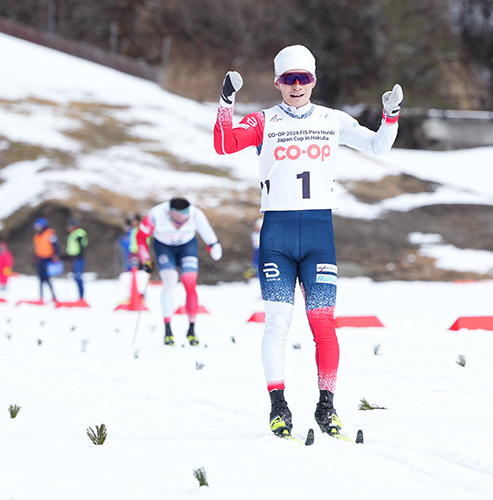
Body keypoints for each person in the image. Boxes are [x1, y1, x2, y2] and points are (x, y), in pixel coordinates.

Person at [213, 45, 403, 439]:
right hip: (277, 238)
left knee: (323, 323)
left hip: (319, 237)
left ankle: (327, 405)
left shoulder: (332, 120)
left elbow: (378, 146)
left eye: (303, 78)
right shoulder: (263, 121)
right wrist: (226, 102)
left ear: (313, 81)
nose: (296, 86)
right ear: (277, 82)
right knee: (278, 322)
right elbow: (224, 144)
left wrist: (390, 115)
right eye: (288, 79)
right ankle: (278, 406)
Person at [136, 198, 222, 346]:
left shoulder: (195, 214)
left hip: (187, 246)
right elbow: (141, 237)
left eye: (183, 222)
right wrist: (146, 259)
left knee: (189, 281)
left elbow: (207, 233)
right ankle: (168, 330)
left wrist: (214, 245)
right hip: (164, 247)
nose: (179, 225)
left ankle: (191, 330)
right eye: (176, 222)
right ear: (170, 213)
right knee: (170, 279)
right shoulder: (155, 214)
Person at [32, 217, 59, 302]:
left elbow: (55, 246)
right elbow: (38, 248)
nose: (37, 228)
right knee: (40, 279)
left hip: (48, 259)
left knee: (48, 279)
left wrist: (55, 255)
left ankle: (54, 297)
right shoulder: (36, 236)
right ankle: (41, 297)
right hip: (40, 259)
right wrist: (35, 256)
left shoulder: (50, 234)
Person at [65, 217, 88, 300]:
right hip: (74, 259)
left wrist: (77, 256)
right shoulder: (72, 234)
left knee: (78, 277)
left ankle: (81, 297)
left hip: (78, 259)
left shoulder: (79, 233)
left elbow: (81, 247)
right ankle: (80, 297)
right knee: (76, 278)